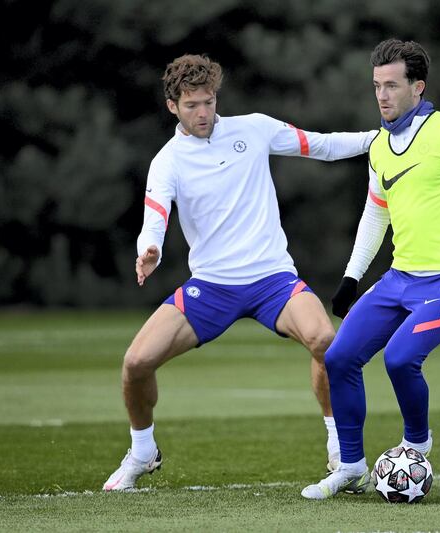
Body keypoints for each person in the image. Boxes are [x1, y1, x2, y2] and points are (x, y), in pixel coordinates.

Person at [103, 54, 376, 491]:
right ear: (172, 106)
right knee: (135, 363)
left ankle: (338, 447)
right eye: (192, 105)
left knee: (326, 342)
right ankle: (142, 451)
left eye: (209, 102)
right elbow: (154, 217)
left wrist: (378, 138)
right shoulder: (167, 160)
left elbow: (320, 145)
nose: (203, 112)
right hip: (211, 287)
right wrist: (149, 248)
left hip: (273, 279)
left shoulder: (253, 128)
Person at [302, 38, 440, 499]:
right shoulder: (380, 146)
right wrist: (351, 277)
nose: (382, 95)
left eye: (392, 85)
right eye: (377, 86)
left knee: (401, 358)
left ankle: (417, 445)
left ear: (417, 87)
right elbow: (375, 214)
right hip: (400, 279)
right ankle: (351, 468)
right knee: (339, 357)